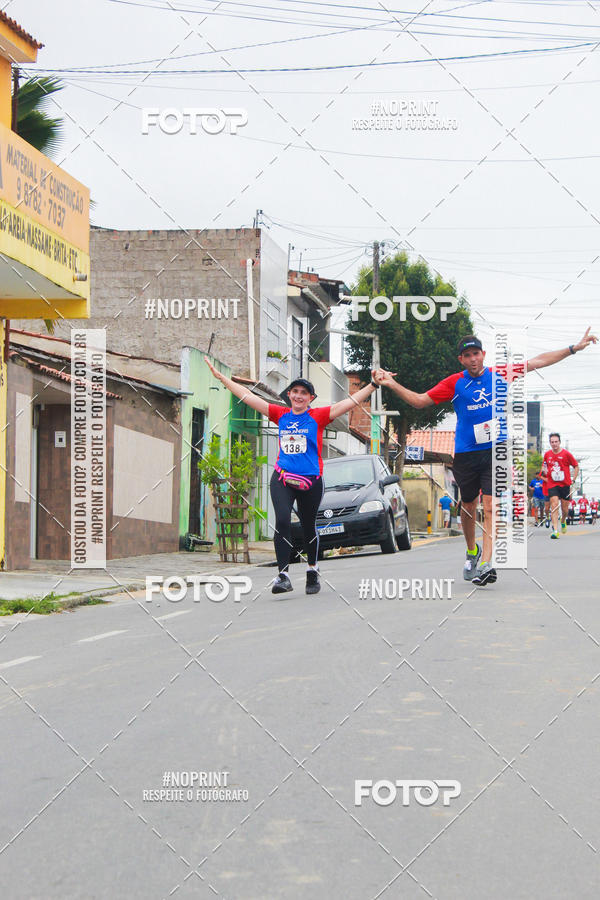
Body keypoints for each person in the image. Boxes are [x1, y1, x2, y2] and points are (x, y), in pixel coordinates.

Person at [374, 328, 597, 586]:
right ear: (461, 359)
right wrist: (390, 383)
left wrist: (573, 349)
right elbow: (420, 400)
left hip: (496, 451)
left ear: (484, 354)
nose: (472, 359)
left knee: (490, 507)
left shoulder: (500, 374)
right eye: (467, 355)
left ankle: (487, 563)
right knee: (468, 508)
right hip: (467, 454)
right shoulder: (455, 383)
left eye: (476, 353)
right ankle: (472, 552)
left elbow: (539, 361)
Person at [204, 358, 381, 595]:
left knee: (309, 527)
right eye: (295, 392)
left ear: (311, 398)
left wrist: (372, 385)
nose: (298, 396)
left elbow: (349, 403)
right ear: (289, 395)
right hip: (283, 478)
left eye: (303, 393)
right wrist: (221, 378)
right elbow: (248, 396)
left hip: (311, 480)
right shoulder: (280, 414)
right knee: (283, 522)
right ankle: (283, 575)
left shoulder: (318, 416)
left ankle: (312, 569)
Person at [542, 432, 579, 539]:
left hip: (565, 484)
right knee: (554, 505)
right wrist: (545, 471)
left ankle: (563, 521)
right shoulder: (547, 454)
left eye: (556, 442)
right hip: (552, 484)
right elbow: (544, 467)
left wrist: (574, 479)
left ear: (559, 442)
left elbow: (576, 466)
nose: (554, 444)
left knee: (565, 509)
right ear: (550, 443)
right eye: (552, 442)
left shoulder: (566, 454)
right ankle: (555, 530)